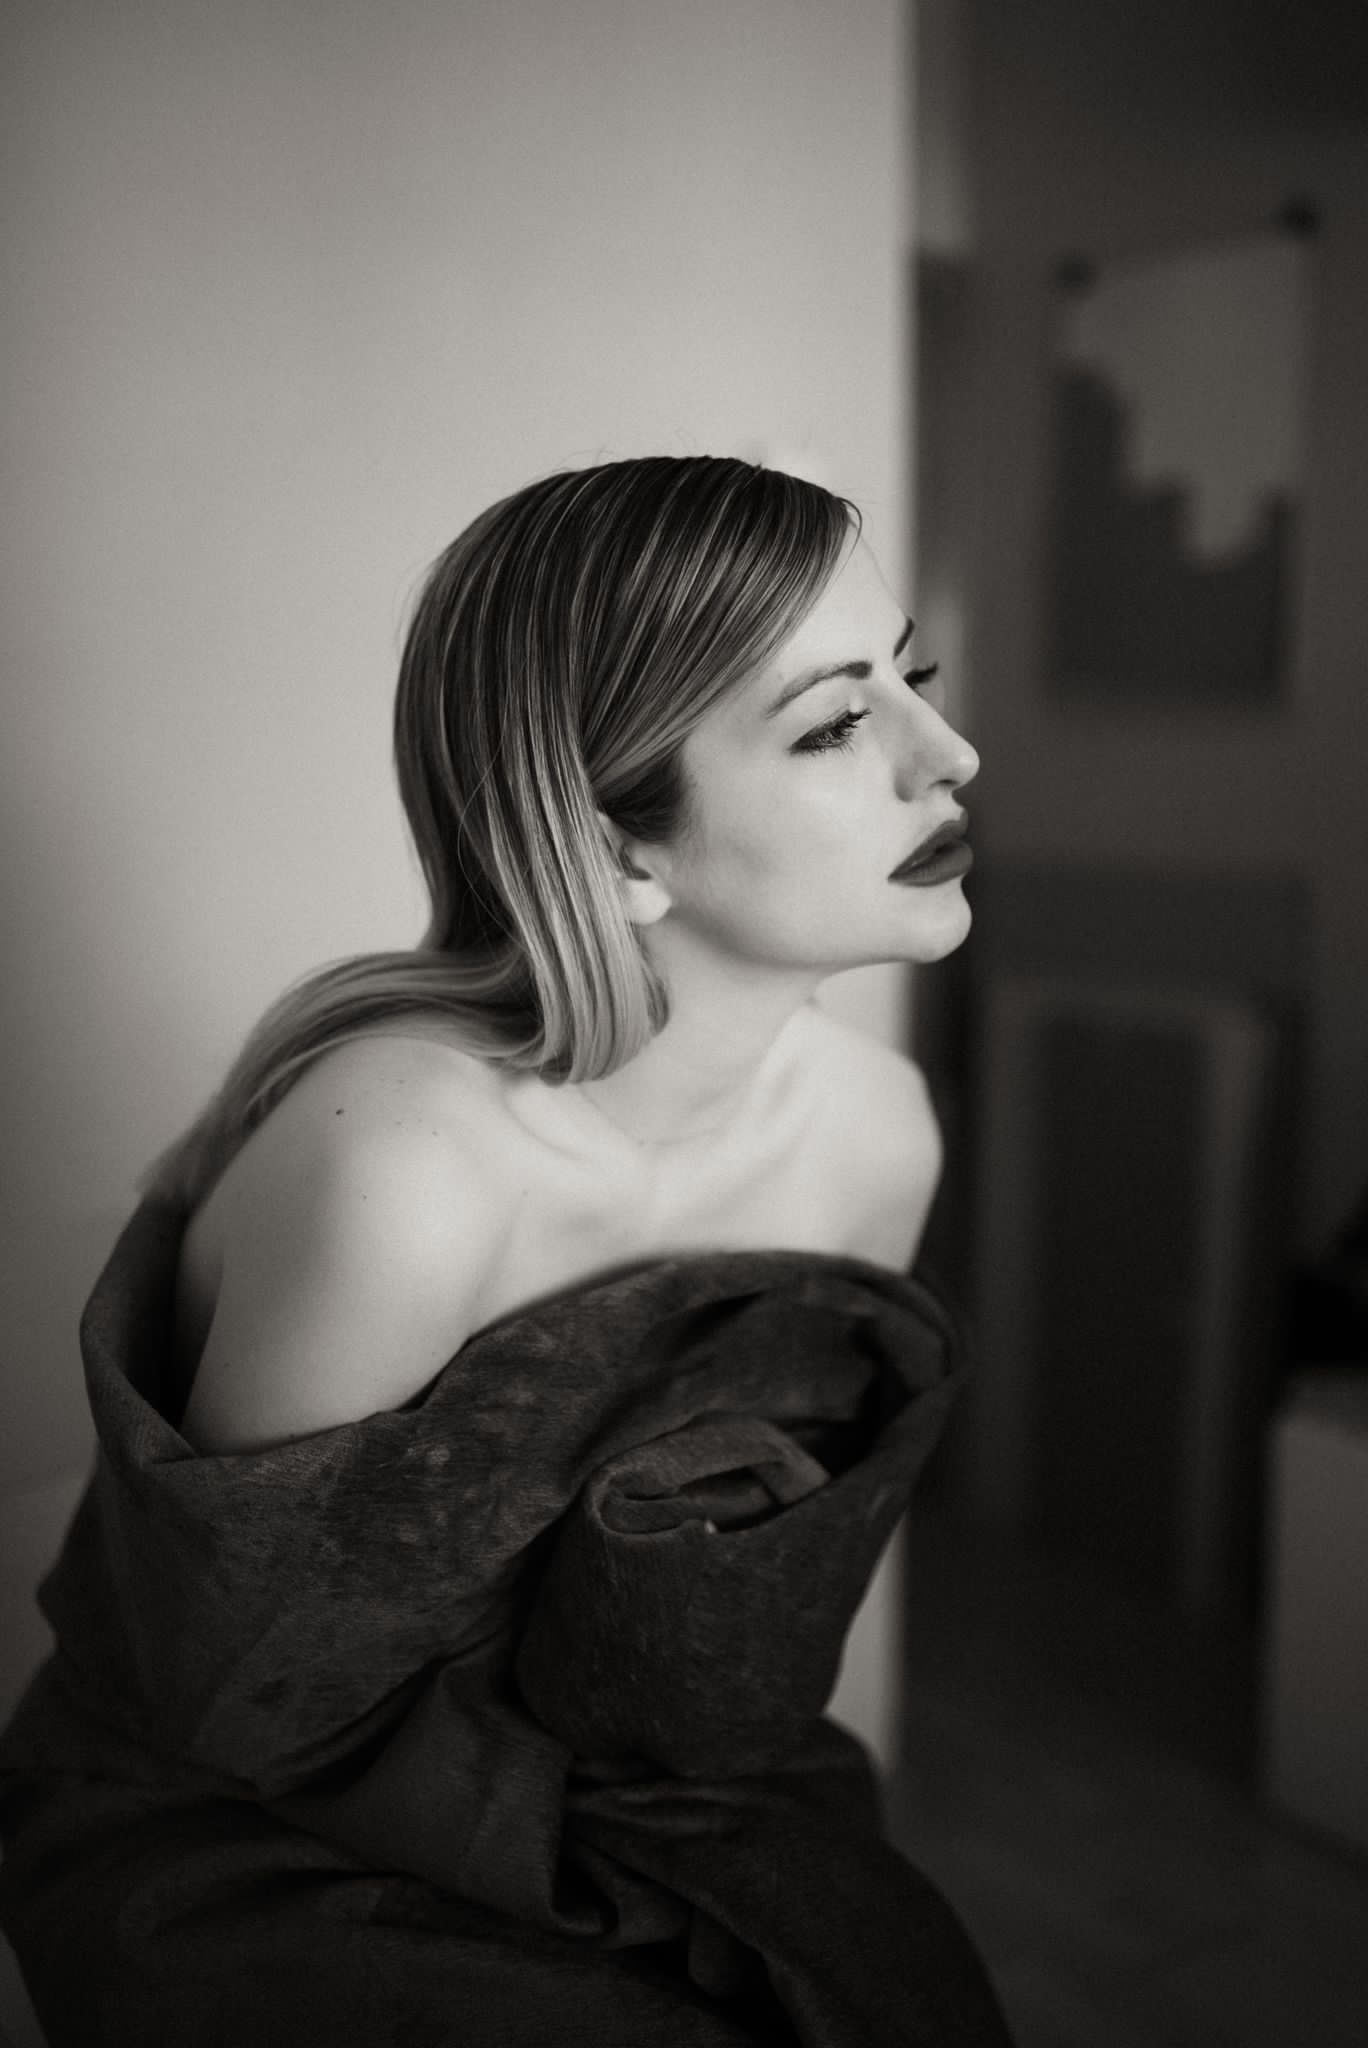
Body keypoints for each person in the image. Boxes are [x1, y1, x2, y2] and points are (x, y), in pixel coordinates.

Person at [0, 455, 1013, 2045]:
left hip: (629, 1790)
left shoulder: (879, 1137)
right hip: (244, 1833)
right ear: (616, 849)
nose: (948, 755)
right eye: (833, 725)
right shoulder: (403, 1173)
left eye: (917, 678)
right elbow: (245, 1700)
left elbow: (740, 1630)